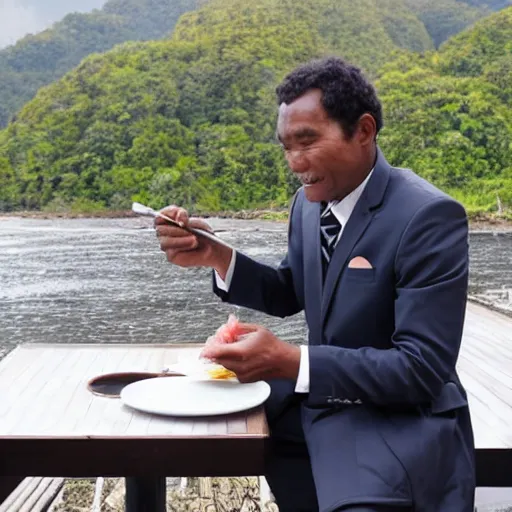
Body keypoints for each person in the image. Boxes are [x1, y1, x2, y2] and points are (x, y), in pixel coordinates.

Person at [154, 57, 475, 512]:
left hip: (396, 421)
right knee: (196, 417)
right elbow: (291, 291)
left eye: (307, 141)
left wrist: (289, 360)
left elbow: (420, 370)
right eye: (285, 146)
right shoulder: (307, 207)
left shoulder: (427, 217)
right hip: (321, 401)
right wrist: (217, 255)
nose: (294, 163)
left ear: (363, 131)